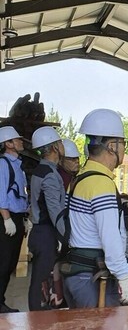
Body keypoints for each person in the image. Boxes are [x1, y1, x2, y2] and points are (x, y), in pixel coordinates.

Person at [61, 109, 128, 308]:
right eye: (122, 143)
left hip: (76, 275)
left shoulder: (81, 177)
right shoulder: (101, 184)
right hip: (91, 280)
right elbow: (109, 236)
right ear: (112, 146)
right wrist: (123, 275)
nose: (123, 149)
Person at [28, 127, 66, 311]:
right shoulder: (50, 175)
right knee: (42, 280)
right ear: (53, 148)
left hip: (39, 232)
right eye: (59, 142)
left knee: (41, 278)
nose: (62, 145)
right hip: (46, 233)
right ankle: (37, 319)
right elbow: (55, 211)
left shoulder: (41, 170)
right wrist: (65, 237)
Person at [0, 126, 28, 313]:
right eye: (17, 140)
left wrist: (24, 217)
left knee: (10, 263)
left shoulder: (18, 164)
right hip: (6, 219)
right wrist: (6, 218)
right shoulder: (3, 164)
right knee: (3, 263)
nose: (21, 142)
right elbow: (1, 192)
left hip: (16, 217)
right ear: (8, 144)